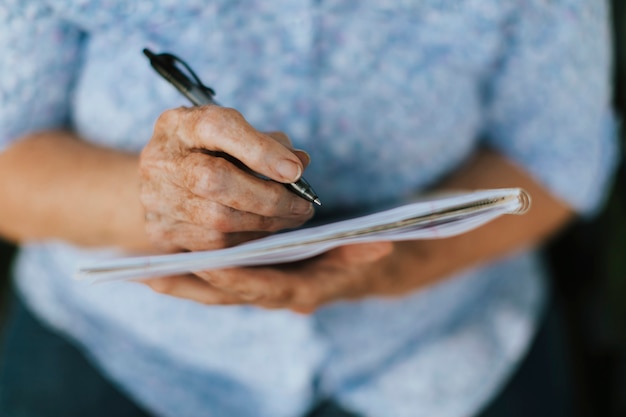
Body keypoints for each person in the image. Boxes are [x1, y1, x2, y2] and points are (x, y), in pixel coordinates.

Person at [0, 1, 617, 416]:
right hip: (119, 355)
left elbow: (556, 159)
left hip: (442, 356)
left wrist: (395, 268)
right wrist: (166, 201)